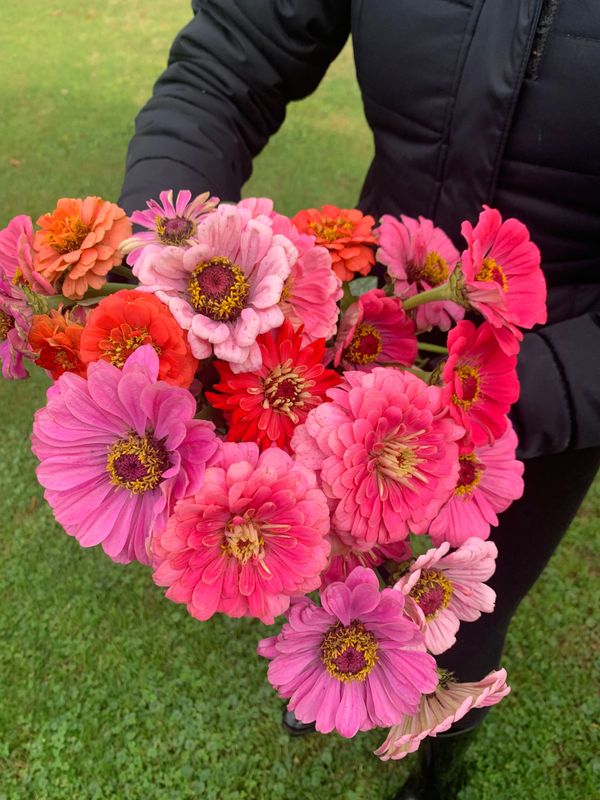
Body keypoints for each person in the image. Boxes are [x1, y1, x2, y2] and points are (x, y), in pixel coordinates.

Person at [119, 2, 600, 797]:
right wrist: (173, 262)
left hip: (541, 395)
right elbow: (232, 59)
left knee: (464, 610)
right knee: (329, 562)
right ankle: (335, 673)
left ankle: (441, 754)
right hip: (371, 313)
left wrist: (505, 401)